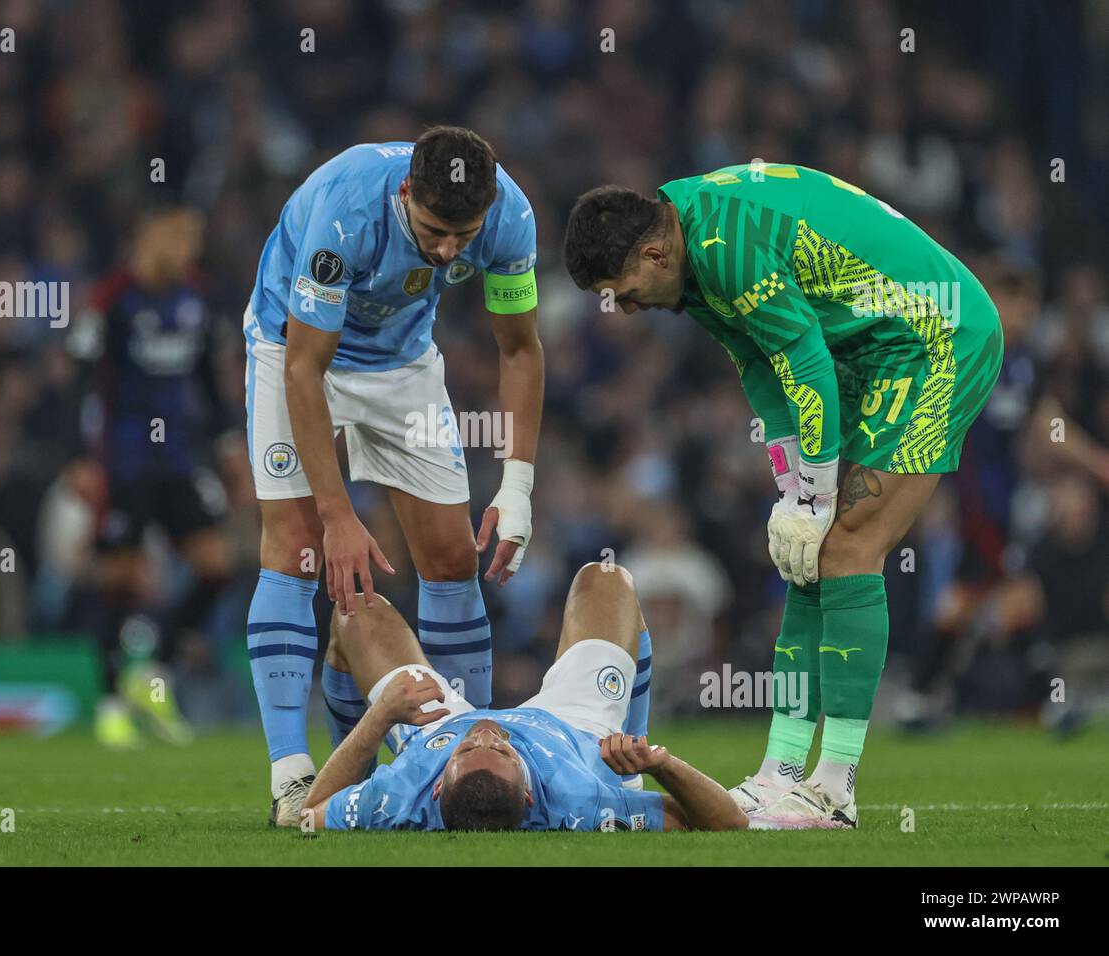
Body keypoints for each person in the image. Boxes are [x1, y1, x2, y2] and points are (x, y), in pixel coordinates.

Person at [563, 163, 1005, 829]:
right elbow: (760, 366)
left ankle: (835, 790)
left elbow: (804, 365)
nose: (624, 308)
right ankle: (783, 773)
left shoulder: (725, 248)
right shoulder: (688, 247)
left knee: (849, 546)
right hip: (872, 349)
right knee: (806, 561)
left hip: (935, 339)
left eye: (622, 292)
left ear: (652, 254)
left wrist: (816, 496)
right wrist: (793, 489)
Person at [243, 126, 544, 823]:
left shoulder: (510, 217)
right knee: (296, 550)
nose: (448, 250)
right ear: (406, 191)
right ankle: (293, 777)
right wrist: (337, 513)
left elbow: (521, 349)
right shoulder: (345, 206)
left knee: (448, 558)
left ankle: (450, 747)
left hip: (403, 364)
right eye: (436, 230)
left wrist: (518, 485)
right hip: (290, 350)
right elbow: (303, 367)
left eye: (463, 235)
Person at [302, 562, 747, 833]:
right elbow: (728, 822)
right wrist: (660, 763)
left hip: (434, 726)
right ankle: (629, 756)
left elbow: (307, 814)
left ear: (438, 787)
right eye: (500, 750)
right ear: (531, 795)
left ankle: (355, 777)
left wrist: (378, 719)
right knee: (607, 579)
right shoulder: (581, 802)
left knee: (355, 611)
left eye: (471, 748)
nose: (487, 733)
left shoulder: (401, 797)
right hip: (576, 730)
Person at [69, 206, 234, 749]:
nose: (189, 247)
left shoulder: (196, 298)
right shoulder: (112, 299)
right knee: (118, 580)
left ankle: (153, 671)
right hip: (124, 460)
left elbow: (209, 380)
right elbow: (82, 382)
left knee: (216, 566)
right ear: (148, 238)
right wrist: (84, 458)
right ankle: (112, 701)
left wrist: (229, 443)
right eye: (179, 236)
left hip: (179, 460)